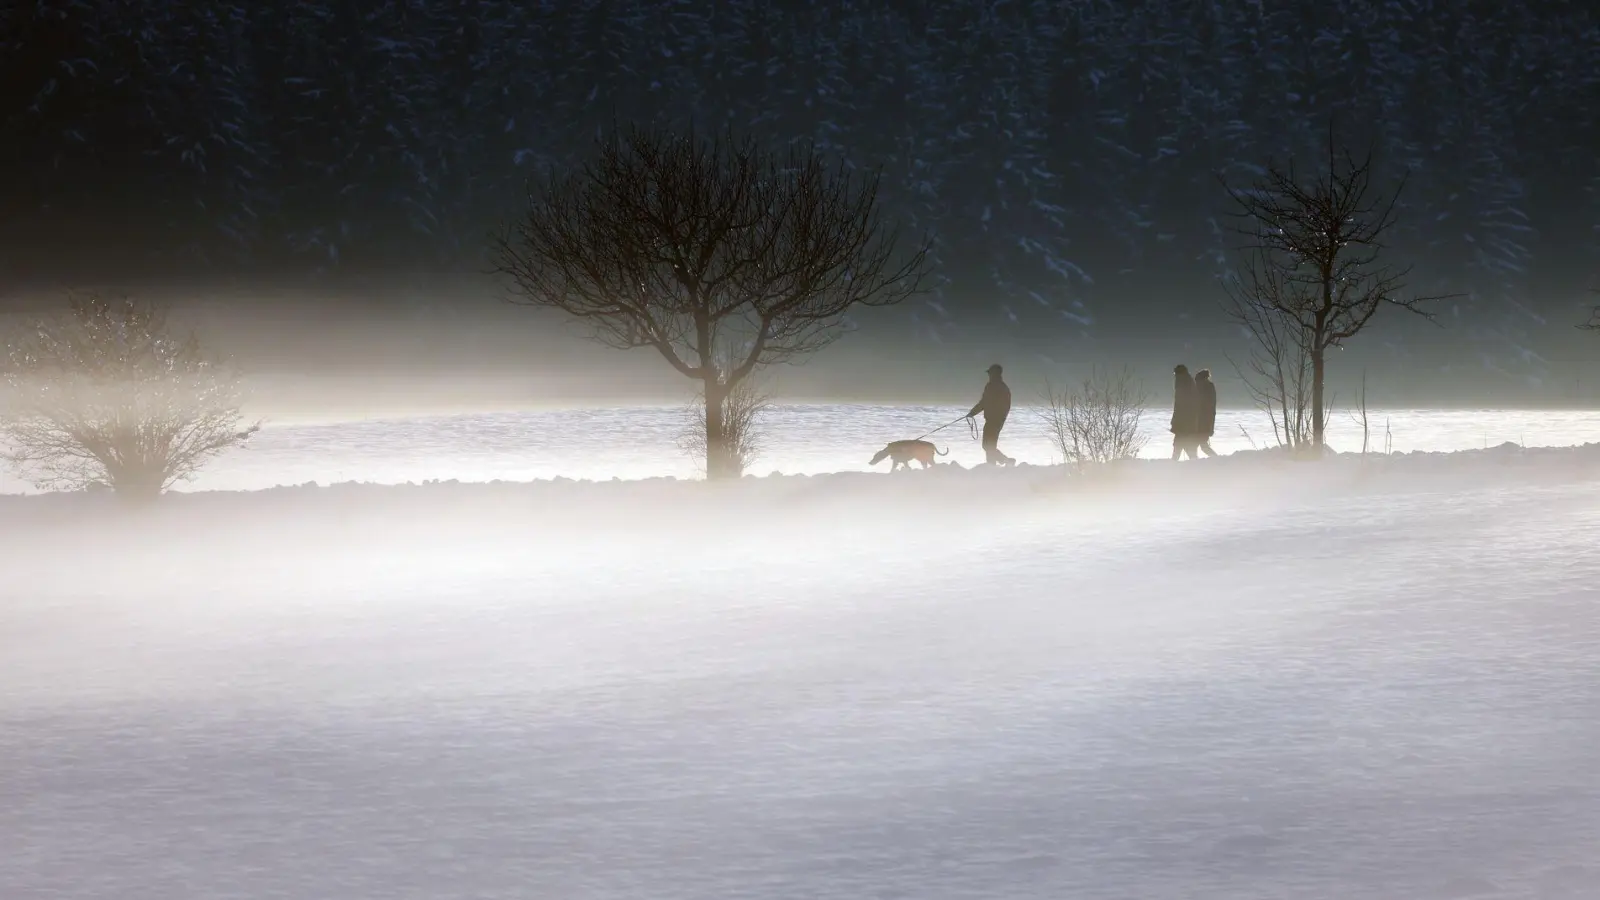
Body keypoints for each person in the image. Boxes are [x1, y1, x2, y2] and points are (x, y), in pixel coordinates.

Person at [966, 363, 1014, 465]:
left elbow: (984, 402)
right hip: (997, 420)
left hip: (993, 420)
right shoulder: (1003, 387)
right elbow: (1005, 406)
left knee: (987, 446)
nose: (989, 375)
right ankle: (993, 465)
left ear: (994, 374)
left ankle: (1004, 461)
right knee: (989, 445)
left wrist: (972, 413)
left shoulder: (992, 386)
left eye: (990, 373)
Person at [1170, 364, 1199, 461]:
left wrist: (1175, 421)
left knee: (1180, 443)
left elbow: (1179, 405)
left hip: (1183, 421)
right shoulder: (1189, 382)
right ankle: (1194, 462)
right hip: (1189, 420)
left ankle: (1174, 463)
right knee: (1185, 443)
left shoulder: (1181, 383)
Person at [1193, 368, 1219, 458]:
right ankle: (1216, 459)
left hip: (1203, 423)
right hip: (1202, 423)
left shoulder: (1204, 390)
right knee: (1200, 446)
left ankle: (1217, 459)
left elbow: (1210, 410)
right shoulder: (1207, 388)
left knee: (1201, 446)